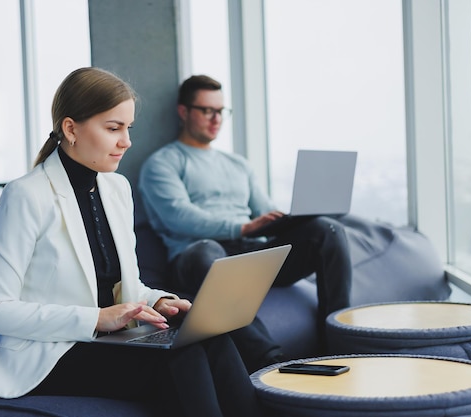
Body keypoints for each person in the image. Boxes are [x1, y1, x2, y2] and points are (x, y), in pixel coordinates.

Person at [0, 67, 263, 417]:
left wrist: (161, 300)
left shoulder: (116, 188)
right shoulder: (26, 196)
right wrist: (96, 318)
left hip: (113, 339)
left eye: (128, 128)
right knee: (182, 358)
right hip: (53, 352)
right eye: (113, 128)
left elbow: (126, 285)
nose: (126, 141)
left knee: (212, 339)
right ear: (71, 129)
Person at [138, 74, 352, 365]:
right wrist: (242, 226)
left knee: (327, 230)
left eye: (221, 111)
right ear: (184, 111)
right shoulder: (163, 163)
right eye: (207, 110)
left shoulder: (237, 164)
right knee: (208, 251)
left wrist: (288, 220)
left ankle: (339, 343)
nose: (216, 119)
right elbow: (179, 217)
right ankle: (270, 359)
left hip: (250, 250)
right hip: (197, 254)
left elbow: (263, 209)